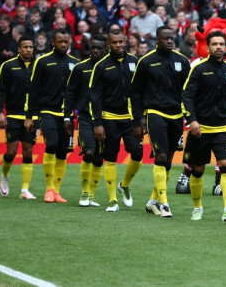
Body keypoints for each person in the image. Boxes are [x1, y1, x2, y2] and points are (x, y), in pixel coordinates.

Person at [182, 31, 226, 222]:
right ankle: (197, 207)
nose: (218, 47)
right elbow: (187, 96)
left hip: (223, 128)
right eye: (214, 44)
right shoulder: (198, 68)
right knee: (198, 169)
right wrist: (192, 120)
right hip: (200, 129)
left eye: (221, 44)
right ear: (207, 47)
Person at [131, 26, 191, 218]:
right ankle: (164, 204)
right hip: (155, 112)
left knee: (169, 160)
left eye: (172, 38)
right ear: (157, 40)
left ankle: (152, 202)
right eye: (166, 38)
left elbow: (188, 91)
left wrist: (190, 115)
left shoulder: (182, 61)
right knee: (161, 156)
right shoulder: (146, 62)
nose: (170, 41)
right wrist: (137, 120)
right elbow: (136, 93)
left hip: (176, 115)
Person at [89, 30, 145, 211]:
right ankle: (113, 200)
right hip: (109, 119)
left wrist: (140, 119)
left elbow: (140, 94)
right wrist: (97, 123)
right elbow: (95, 96)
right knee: (111, 158)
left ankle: (125, 185)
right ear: (109, 45)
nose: (119, 45)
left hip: (130, 120)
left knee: (138, 153)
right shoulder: (101, 66)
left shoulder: (135, 63)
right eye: (115, 43)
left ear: (126, 42)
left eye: (121, 42)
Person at [25, 29, 79, 203]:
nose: (63, 44)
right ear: (52, 43)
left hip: (67, 115)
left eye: (66, 41)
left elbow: (79, 90)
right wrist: (30, 116)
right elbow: (33, 91)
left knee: (63, 151)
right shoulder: (42, 62)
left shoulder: (75, 63)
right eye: (59, 41)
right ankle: (49, 188)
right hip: (47, 111)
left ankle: (56, 191)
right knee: (52, 144)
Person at [65, 35, 108, 209]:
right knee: (89, 153)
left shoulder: (110, 68)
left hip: (106, 118)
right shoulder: (80, 68)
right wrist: (67, 116)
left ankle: (91, 195)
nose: (96, 51)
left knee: (99, 158)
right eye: (93, 48)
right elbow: (70, 93)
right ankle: (84, 193)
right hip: (85, 117)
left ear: (105, 49)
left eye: (99, 48)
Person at [0, 35, 36, 198]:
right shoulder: (8, 66)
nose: (28, 50)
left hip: (31, 116)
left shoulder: (38, 66)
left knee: (28, 149)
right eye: (25, 47)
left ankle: (25, 190)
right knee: (11, 152)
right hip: (13, 114)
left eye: (31, 47)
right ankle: (4, 176)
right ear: (19, 49)